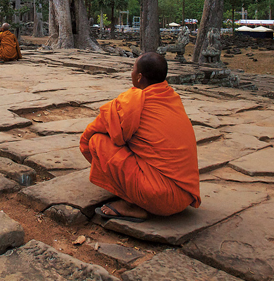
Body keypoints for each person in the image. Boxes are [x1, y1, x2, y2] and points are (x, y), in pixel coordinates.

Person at [81, 52, 201, 222]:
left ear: (139, 77)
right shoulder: (171, 97)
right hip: (187, 195)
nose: (131, 73)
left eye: (132, 69)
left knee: (97, 141)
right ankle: (139, 194)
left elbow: (88, 137)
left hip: (160, 197)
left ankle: (133, 204)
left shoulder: (130, 102)